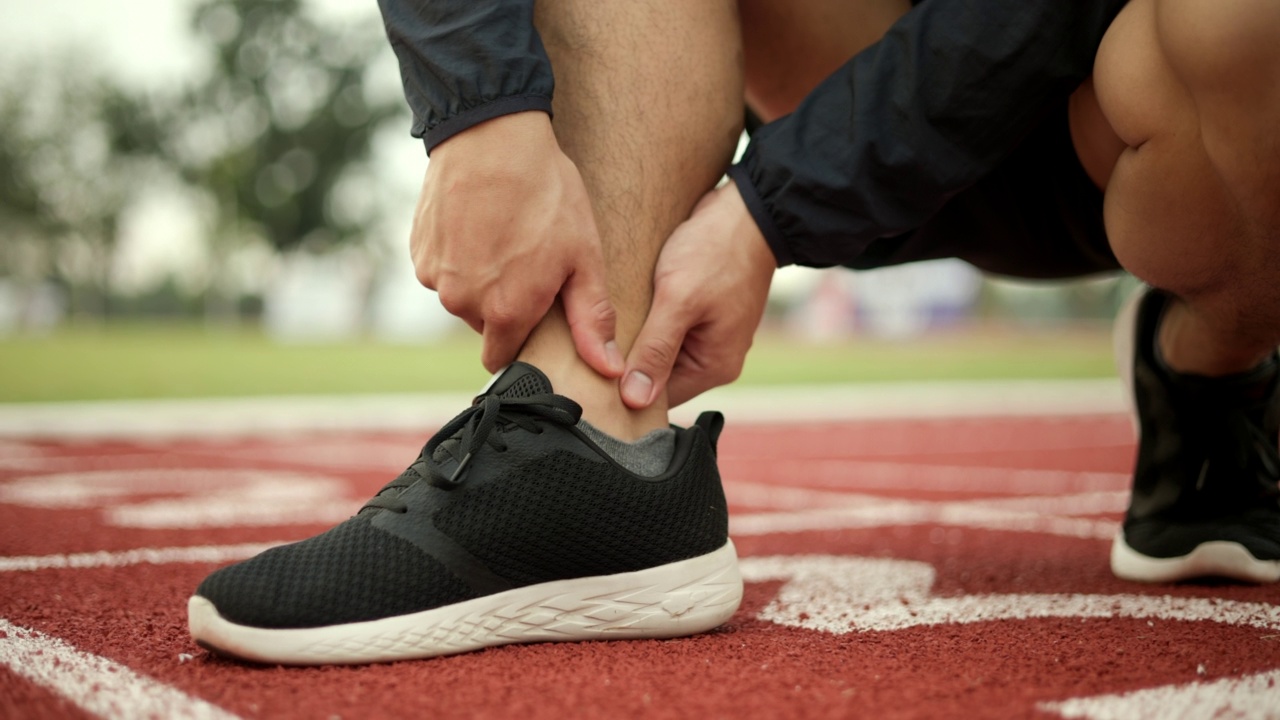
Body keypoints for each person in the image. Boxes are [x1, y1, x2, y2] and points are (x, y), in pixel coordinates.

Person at [186, 0, 1280, 665]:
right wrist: (477, 115)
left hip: (1143, 102)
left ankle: (1212, 358)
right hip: (842, 66)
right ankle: (590, 430)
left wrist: (774, 210)